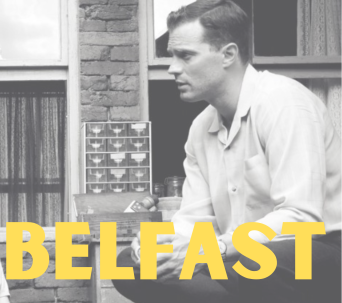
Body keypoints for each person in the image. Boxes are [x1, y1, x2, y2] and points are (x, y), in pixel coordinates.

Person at [112, 1, 341, 302]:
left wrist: (210, 251)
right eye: (172, 56)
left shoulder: (283, 103)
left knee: (257, 265)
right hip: (237, 255)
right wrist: (160, 244)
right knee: (128, 264)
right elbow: (195, 221)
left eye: (185, 56)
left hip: (319, 249)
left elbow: (299, 219)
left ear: (228, 55)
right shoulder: (200, 128)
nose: (172, 68)